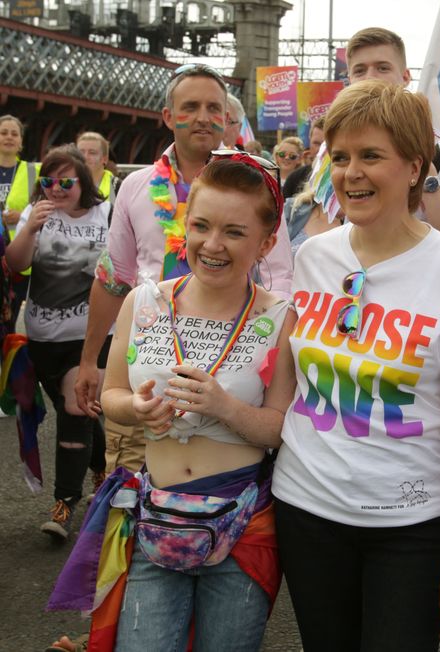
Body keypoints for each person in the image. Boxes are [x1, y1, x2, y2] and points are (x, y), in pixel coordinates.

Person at [272, 79, 440, 650]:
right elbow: (287, 382)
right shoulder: (314, 257)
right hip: (307, 510)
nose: (352, 172)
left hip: (413, 527)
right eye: (341, 157)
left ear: (415, 167)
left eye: (372, 155)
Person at [49, 151, 296, 649]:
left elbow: (280, 428)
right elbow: (113, 394)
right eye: (201, 225)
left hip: (242, 524)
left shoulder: (281, 317)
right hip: (155, 518)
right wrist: (134, 410)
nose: (212, 244)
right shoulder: (145, 302)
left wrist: (225, 407)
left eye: (234, 231)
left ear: (267, 242)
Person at [72, 63, 293, 476]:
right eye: (190, 107)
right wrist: (89, 360)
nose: (204, 117)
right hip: (148, 365)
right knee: (133, 496)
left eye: (214, 107)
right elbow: (113, 277)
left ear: (227, 119)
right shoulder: (136, 186)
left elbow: (280, 276)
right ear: (169, 117)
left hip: (234, 363)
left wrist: (269, 343)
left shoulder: (257, 187)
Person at [4, 146, 111, 540]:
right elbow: (16, 265)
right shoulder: (37, 215)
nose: (57, 189)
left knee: (75, 406)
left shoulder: (107, 215)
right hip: (42, 335)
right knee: (83, 410)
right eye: (48, 181)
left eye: (66, 181)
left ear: (85, 183)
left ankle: (64, 504)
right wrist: (30, 228)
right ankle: (101, 467)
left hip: (92, 335)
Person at [343, 26, 440, 245]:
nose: (371, 77)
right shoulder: (336, 150)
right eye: (360, 70)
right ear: (349, 79)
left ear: (405, 77)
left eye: (383, 68)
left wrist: (426, 174)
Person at [0, 114, 39, 333]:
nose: (9, 137)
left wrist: (23, 213)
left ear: (21, 141)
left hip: (21, 260)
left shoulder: (34, 170)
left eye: (14, 133)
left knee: (12, 317)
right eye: (3, 132)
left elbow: (45, 200)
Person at [75, 132, 121, 204]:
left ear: (105, 159)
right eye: (81, 152)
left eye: (92, 153)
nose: (85, 157)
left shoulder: (117, 187)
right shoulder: (67, 184)